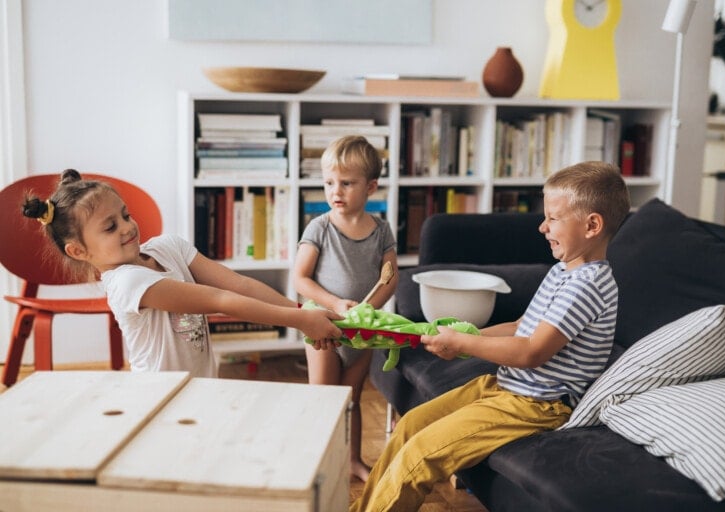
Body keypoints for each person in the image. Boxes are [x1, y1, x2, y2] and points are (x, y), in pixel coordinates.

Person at [350, 161, 630, 512]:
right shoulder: (563, 271)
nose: (542, 227)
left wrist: (463, 344)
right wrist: (463, 335)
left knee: (421, 455)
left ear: (592, 225)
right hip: (506, 388)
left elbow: (531, 352)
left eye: (553, 218)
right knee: (410, 426)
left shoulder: (588, 285)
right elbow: (520, 326)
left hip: (537, 405)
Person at [22, 169, 342, 378]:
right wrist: (301, 322)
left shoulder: (168, 246)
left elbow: (239, 284)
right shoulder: (127, 282)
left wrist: (302, 312)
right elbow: (222, 299)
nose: (127, 226)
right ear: (79, 251)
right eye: (110, 226)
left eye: (125, 215)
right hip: (159, 400)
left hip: (201, 386)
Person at [294, 135, 399, 482]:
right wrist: (336, 304)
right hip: (322, 325)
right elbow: (301, 279)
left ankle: (352, 459)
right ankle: (316, 462)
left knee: (352, 399)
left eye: (347, 183)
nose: (335, 191)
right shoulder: (320, 228)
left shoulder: (381, 231)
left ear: (371, 187)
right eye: (328, 182)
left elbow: (390, 278)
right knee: (325, 400)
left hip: (361, 333)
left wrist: (368, 313)